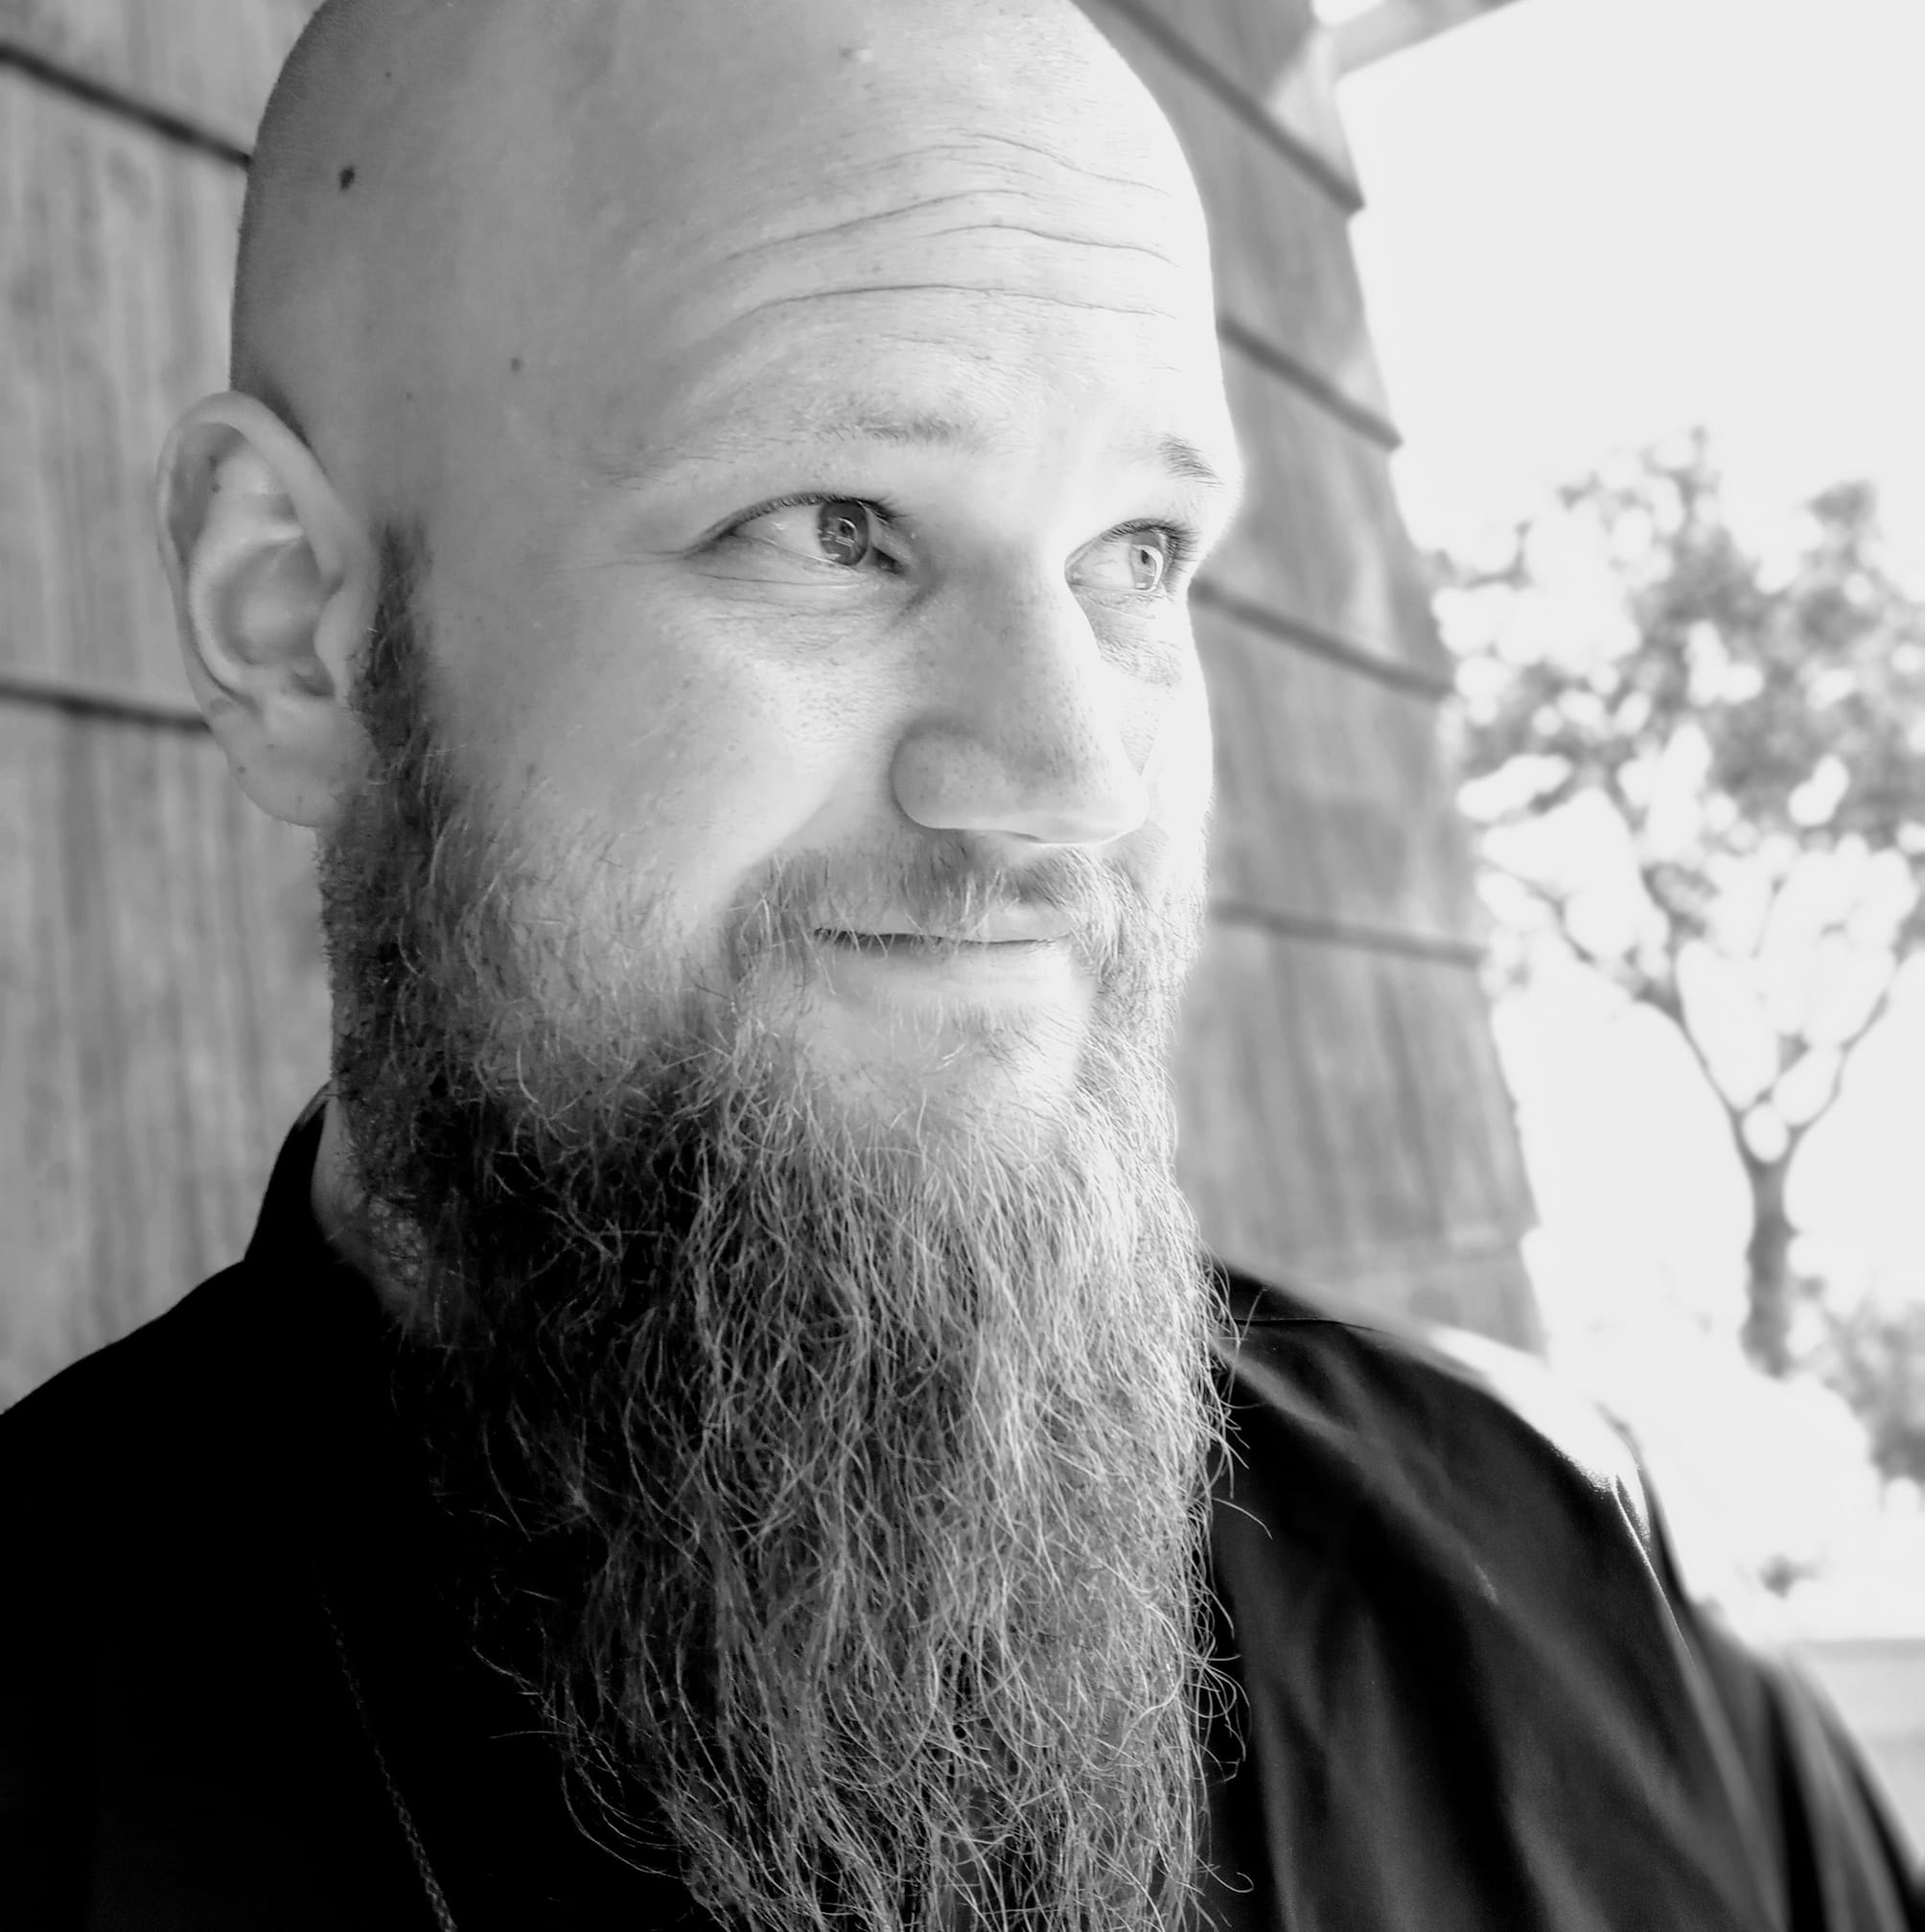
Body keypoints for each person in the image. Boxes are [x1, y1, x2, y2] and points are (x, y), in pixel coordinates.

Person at [1, 1, 1916, 1926]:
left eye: (1139, 551)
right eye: (837, 529)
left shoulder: (1578, 1626)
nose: (1076, 780)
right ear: (291, 626)